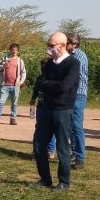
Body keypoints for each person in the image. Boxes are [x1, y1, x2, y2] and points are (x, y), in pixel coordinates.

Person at [32, 32, 80, 191]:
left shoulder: (73, 64)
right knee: (39, 145)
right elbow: (39, 83)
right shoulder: (49, 64)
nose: (49, 48)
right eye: (49, 45)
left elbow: (65, 86)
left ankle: (64, 182)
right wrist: (50, 84)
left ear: (62, 45)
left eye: (52, 46)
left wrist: (48, 84)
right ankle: (45, 179)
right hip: (46, 108)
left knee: (62, 147)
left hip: (63, 110)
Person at [65, 33, 89, 169]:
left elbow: (74, 77)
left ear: (73, 44)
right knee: (70, 125)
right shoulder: (70, 56)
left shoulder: (79, 56)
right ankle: (74, 152)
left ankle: (80, 157)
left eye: (66, 43)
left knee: (77, 126)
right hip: (70, 94)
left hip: (78, 94)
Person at [29, 56, 57, 159]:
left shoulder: (53, 78)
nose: (43, 67)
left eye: (45, 65)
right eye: (42, 65)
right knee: (38, 128)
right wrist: (33, 99)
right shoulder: (39, 78)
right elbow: (36, 89)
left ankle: (50, 150)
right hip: (40, 106)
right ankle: (36, 149)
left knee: (51, 129)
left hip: (50, 106)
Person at [0, 43, 27, 126]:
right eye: (12, 49)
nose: (14, 51)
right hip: (5, 85)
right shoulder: (4, 58)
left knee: (14, 103)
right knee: (1, 102)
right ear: (10, 50)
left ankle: (13, 119)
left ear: (18, 51)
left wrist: (21, 82)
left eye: (15, 50)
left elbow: (23, 72)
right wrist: (3, 66)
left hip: (15, 85)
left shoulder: (20, 60)